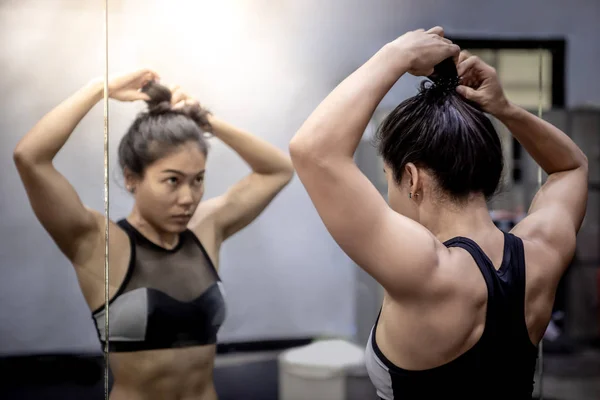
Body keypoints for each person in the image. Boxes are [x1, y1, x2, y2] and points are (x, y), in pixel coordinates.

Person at [289, 26, 587, 399]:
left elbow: (313, 151)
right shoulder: (542, 252)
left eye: (388, 180)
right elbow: (570, 167)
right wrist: (505, 110)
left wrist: (398, 54)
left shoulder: (424, 270)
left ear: (411, 178)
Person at [13, 69, 294, 400]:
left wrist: (205, 121)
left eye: (198, 180)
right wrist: (98, 89)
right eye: (173, 180)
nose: (188, 198)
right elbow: (30, 158)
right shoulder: (99, 243)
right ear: (133, 178)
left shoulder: (205, 229)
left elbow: (278, 170)